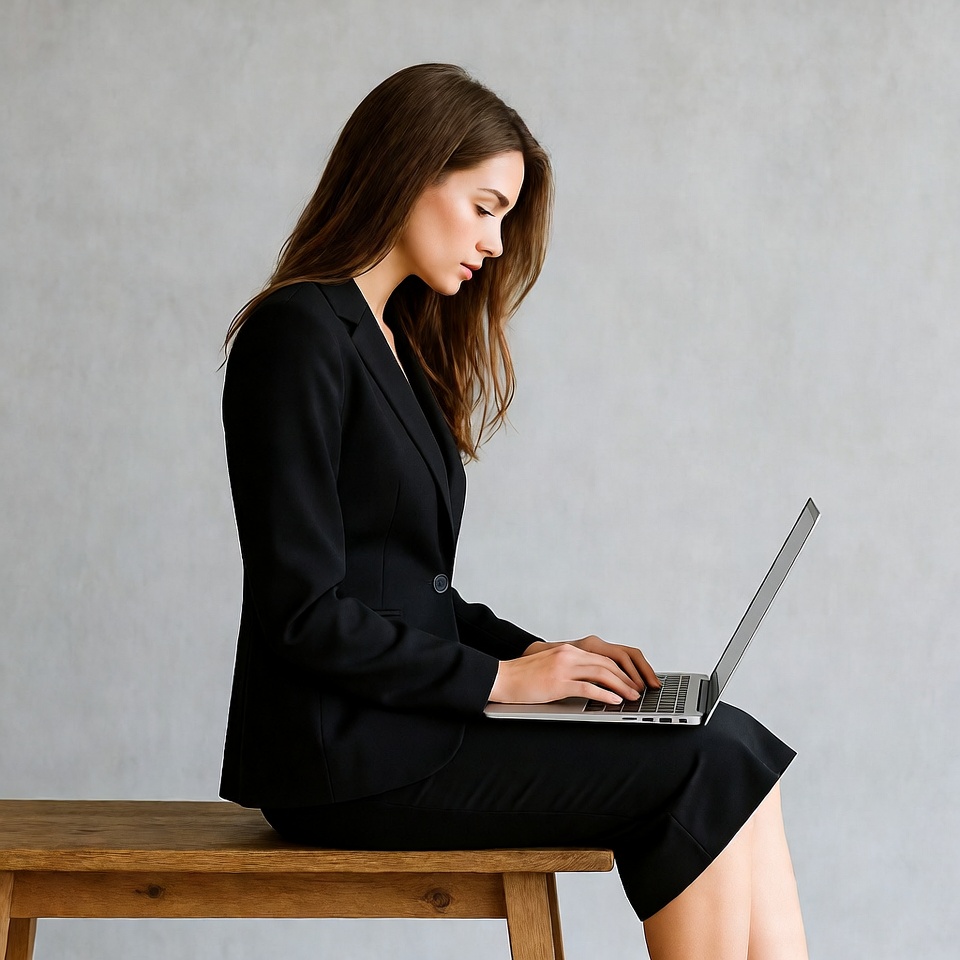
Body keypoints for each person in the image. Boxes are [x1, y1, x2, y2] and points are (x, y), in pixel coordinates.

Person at [219, 63, 809, 959]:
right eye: (486, 205)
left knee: (732, 745)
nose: (496, 242)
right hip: (343, 755)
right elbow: (303, 612)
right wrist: (502, 686)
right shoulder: (296, 334)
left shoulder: (393, 342)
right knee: (707, 763)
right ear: (410, 171)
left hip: (404, 725)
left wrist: (537, 655)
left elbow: (409, 591)